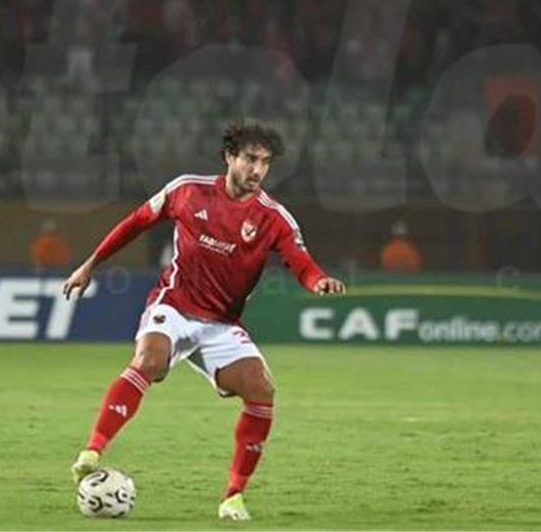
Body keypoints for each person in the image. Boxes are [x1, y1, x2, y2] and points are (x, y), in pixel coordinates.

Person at [61, 120, 346, 521]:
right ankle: (92, 453)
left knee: (262, 389)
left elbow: (302, 263)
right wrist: (90, 265)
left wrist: (318, 281)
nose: (258, 170)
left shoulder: (274, 218)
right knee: (149, 361)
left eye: (265, 163)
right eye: (250, 159)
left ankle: (233, 497)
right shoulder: (187, 190)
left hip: (222, 325)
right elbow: (135, 223)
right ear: (229, 156)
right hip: (175, 305)